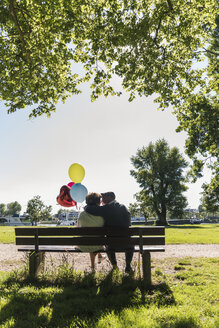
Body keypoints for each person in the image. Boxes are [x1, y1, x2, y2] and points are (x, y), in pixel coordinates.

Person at [85, 192, 134, 273]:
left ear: (111, 197)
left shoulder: (107, 208)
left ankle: (115, 266)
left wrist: (87, 205)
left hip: (112, 245)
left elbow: (90, 209)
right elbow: (128, 223)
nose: (102, 200)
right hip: (127, 243)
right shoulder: (124, 207)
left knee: (108, 245)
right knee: (130, 244)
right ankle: (128, 265)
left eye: (104, 197)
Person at [77, 192, 105, 271]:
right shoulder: (102, 214)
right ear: (98, 202)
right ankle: (96, 262)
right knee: (95, 239)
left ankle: (93, 267)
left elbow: (78, 228)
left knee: (89, 238)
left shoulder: (82, 214)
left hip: (83, 245)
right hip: (98, 245)